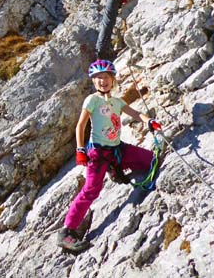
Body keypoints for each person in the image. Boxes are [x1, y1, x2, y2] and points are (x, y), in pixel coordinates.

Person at [57, 59, 162, 253]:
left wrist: (150, 122)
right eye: (97, 78)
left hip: (116, 149)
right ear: (93, 81)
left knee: (151, 160)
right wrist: (80, 150)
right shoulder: (92, 100)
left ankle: (116, 168)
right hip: (97, 153)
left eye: (105, 77)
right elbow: (80, 126)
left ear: (112, 80)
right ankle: (66, 231)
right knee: (91, 189)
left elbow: (136, 114)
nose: (102, 81)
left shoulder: (116, 101)